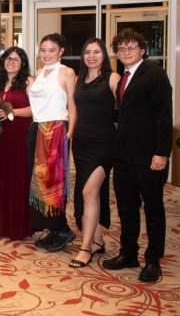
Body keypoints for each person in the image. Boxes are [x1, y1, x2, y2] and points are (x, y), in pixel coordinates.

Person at [102, 28, 172, 283]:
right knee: (127, 207)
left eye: (131, 47)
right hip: (124, 155)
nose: (126, 52)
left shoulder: (154, 72)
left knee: (153, 209)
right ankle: (128, 253)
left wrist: (162, 152)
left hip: (149, 156)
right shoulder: (124, 77)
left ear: (142, 50)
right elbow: (126, 114)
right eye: (121, 48)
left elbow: (164, 115)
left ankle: (153, 260)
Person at [68, 38, 120, 268]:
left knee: (88, 192)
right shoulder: (78, 79)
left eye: (96, 52)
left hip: (104, 143)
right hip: (81, 143)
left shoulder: (113, 78)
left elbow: (128, 109)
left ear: (104, 55)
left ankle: (85, 247)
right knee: (94, 193)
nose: (91, 56)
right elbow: (73, 111)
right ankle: (97, 240)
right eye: (87, 52)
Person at [27, 33, 77, 252]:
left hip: (56, 128)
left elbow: (73, 105)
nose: (46, 54)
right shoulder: (39, 73)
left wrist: (70, 132)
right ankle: (52, 226)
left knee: (55, 181)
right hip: (38, 128)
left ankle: (62, 227)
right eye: (43, 50)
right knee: (39, 181)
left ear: (61, 51)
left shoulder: (66, 72)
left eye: (52, 50)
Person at [0, 47, 34, 241]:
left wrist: (12, 112)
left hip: (20, 137)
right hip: (1, 139)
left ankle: (17, 226)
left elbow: (35, 109)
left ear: (23, 63)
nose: (10, 62)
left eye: (15, 59)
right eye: (7, 58)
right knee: (1, 179)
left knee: (17, 180)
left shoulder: (28, 82)